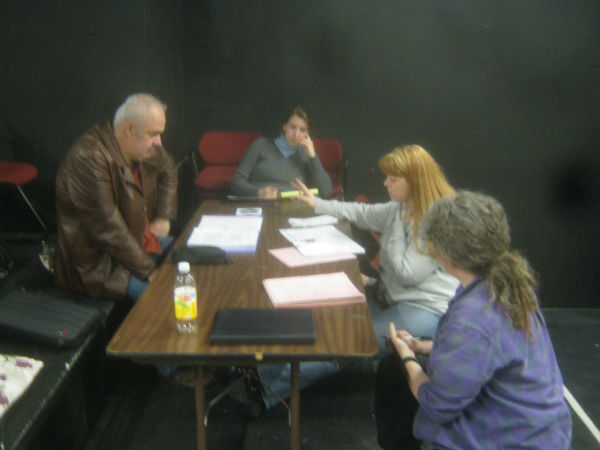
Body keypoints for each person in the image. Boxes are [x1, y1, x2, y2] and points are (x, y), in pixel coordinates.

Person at [376, 191, 572, 450]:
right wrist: (423, 346)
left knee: (396, 373)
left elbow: (436, 404)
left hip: (510, 442)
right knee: (392, 372)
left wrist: (407, 357)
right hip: (542, 432)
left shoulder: (471, 320)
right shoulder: (511, 283)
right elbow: (496, 349)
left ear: (445, 255)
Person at [293, 144, 458, 352]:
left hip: (425, 308)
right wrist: (317, 204)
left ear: (414, 182)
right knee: (331, 322)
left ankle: (273, 374)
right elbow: (362, 213)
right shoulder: (401, 208)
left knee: (350, 344)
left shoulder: (435, 220)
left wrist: (400, 220)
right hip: (393, 295)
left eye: (393, 179)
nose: (385, 183)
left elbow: (407, 274)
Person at [54, 93, 178, 302]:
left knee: (198, 258)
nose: (159, 142)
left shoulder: (144, 146)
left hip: (138, 245)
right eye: (153, 134)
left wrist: (163, 217)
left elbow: (169, 169)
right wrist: (150, 272)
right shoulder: (89, 157)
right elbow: (108, 229)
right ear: (129, 129)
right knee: (168, 302)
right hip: (103, 268)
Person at [230, 106, 332, 199]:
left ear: (307, 133)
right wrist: (258, 192)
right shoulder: (260, 145)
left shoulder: (306, 155)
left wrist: (313, 157)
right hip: (261, 204)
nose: (296, 134)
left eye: (302, 130)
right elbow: (236, 182)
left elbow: (326, 191)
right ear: (284, 127)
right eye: (292, 127)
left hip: (293, 207)